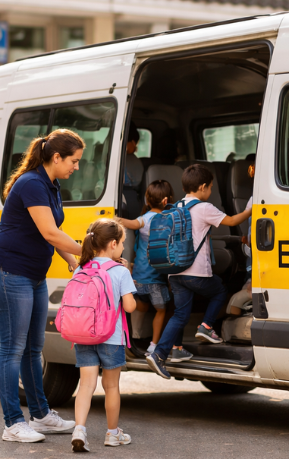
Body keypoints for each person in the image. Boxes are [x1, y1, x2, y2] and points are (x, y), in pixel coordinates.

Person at [0, 129, 85, 443]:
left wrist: (71, 258)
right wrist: (91, 251)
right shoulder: (32, 183)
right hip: (8, 272)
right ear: (56, 157)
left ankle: (40, 416)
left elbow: (49, 234)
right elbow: (50, 232)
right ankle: (13, 423)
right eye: (74, 161)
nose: (76, 167)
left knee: (33, 348)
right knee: (12, 349)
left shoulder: (50, 185)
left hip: (33, 276)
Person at [145, 165, 252, 379]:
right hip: (196, 272)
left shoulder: (176, 206)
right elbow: (231, 221)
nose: (210, 191)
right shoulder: (204, 207)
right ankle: (206, 326)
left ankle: (159, 354)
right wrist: (250, 210)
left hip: (175, 272)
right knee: (221, 292)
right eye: (210, 187)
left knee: (180, 315)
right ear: (202, 187)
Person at [70, 219, 137, 452]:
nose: (123, 249)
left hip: (84, 335)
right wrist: (127, 275)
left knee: (86, 385)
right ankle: (112, 433)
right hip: (111, 337)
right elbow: (129, 307)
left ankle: (79, 429)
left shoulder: (81, 268)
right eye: (122, 244)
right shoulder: (120, 271)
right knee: (111, 387)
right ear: (113, 244)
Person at [118, 180, 189, 360]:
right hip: (157, 280)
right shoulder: (168, 220)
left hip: (139, 278)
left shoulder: (144, 219)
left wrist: (114, 218)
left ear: (147, 200)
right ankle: (153, 344)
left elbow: (130, 224)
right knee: (162, 310)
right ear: (167, 201)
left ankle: (132, 337)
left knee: (141, 303)